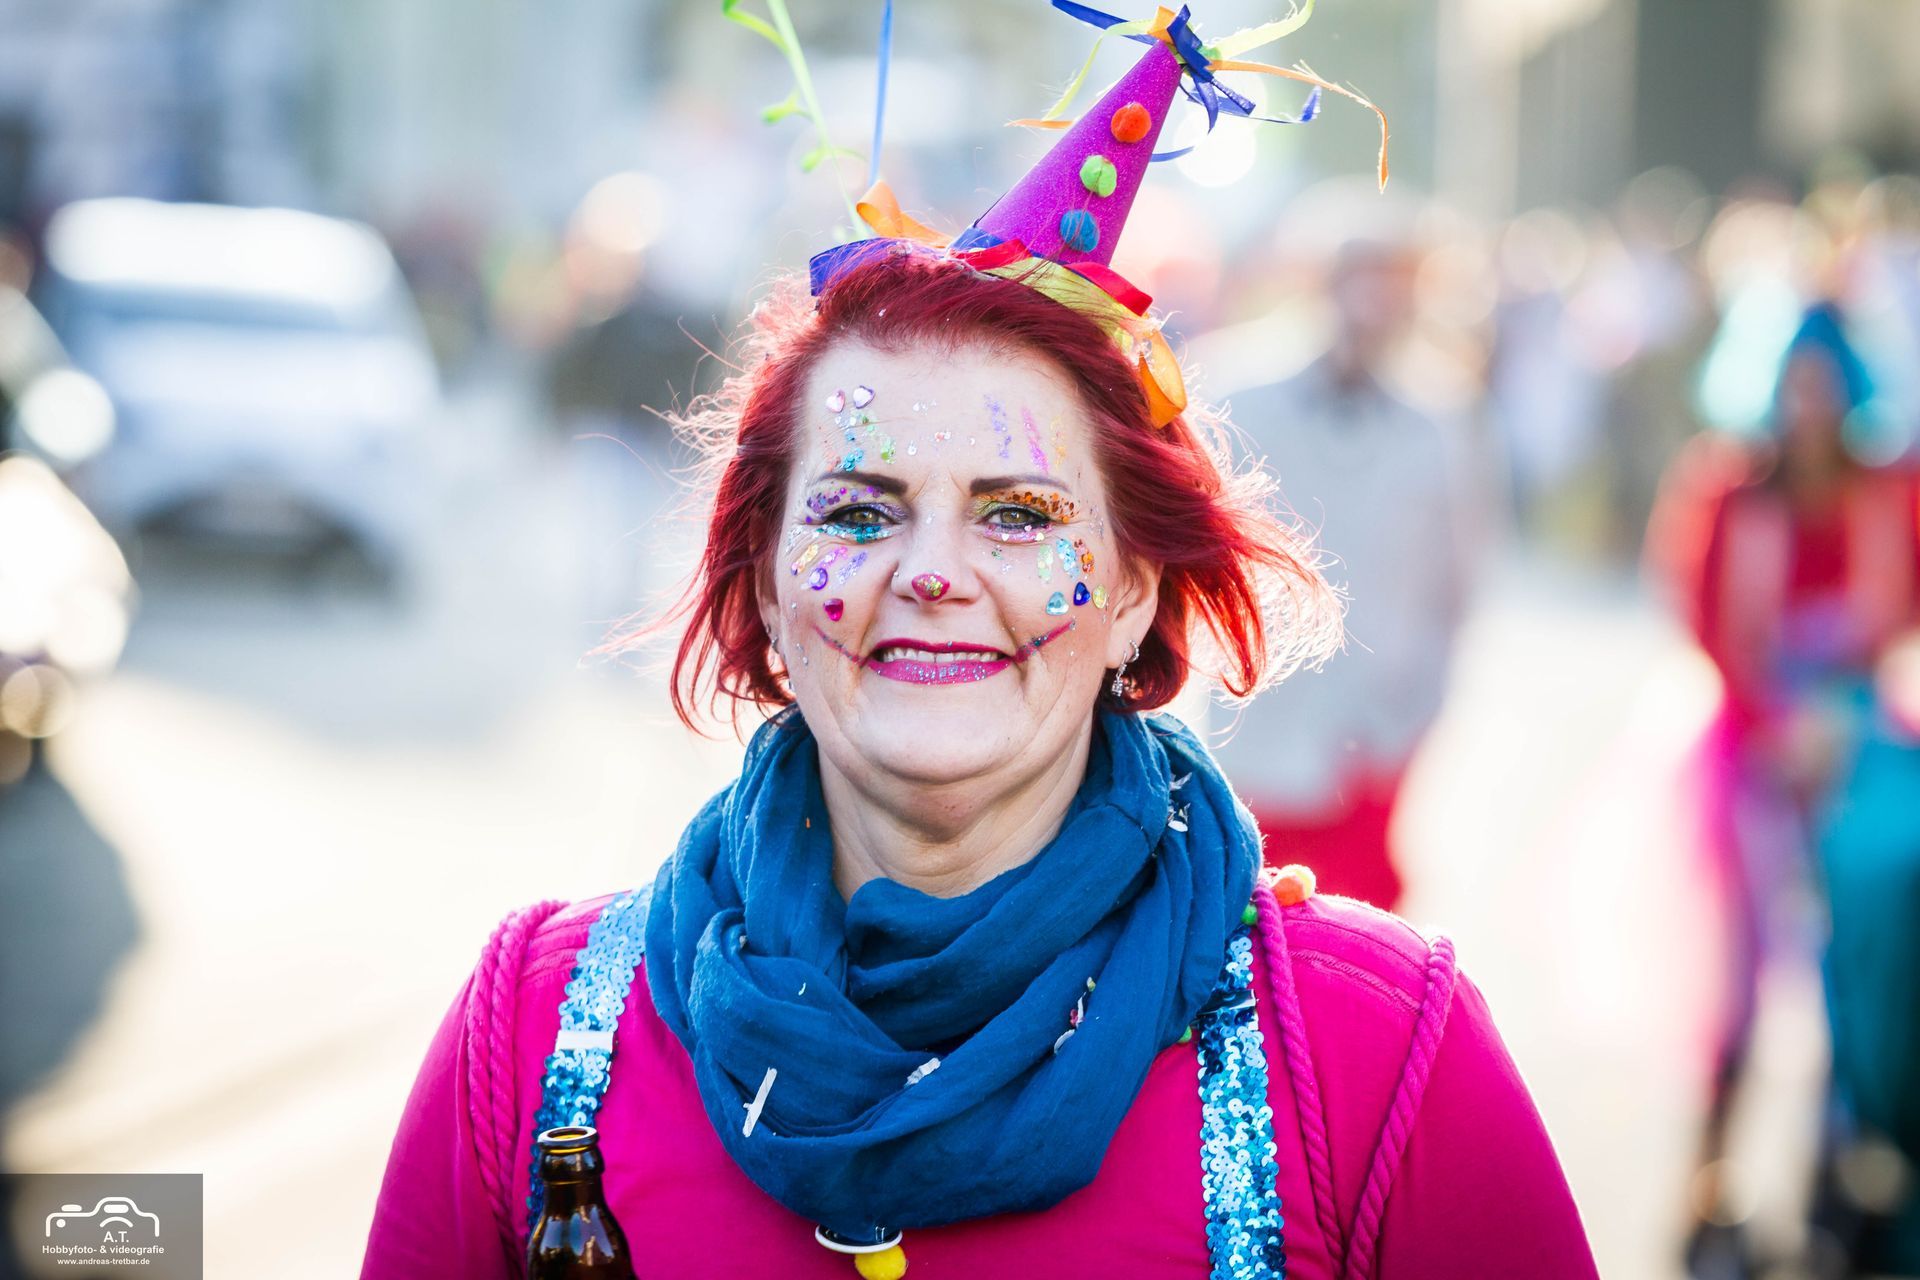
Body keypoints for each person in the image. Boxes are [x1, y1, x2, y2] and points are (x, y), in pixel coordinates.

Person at [362, 11, 1597, 1278]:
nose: (934, 572)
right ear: (768, 585)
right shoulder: (534, 1038)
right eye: (859, 512)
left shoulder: (1374, 1054)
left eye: (1018, 514)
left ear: (1133, 593)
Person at [1648, 300, 1920, 1271]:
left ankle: (1842, 1188)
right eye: (1794, 385)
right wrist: (1777, 727)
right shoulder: (1730, 491)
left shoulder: (1888, 491)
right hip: (1749, 754)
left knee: (1858, 967)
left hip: (1857, 752)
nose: (1809, 406)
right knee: (1741, 986)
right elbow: (1706, 623)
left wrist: (1843, 718)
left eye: (1825, 385)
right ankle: (1711, 1195)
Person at [1211, 194, 1472, 910]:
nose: (1376, 296)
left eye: (1395, 277)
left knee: (1359, 943)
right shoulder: (1237, 393)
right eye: (1360, 273)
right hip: (1251, 732)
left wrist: (1413, 715)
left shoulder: (1443, 422)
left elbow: (1458, 585)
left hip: (1368, 739)